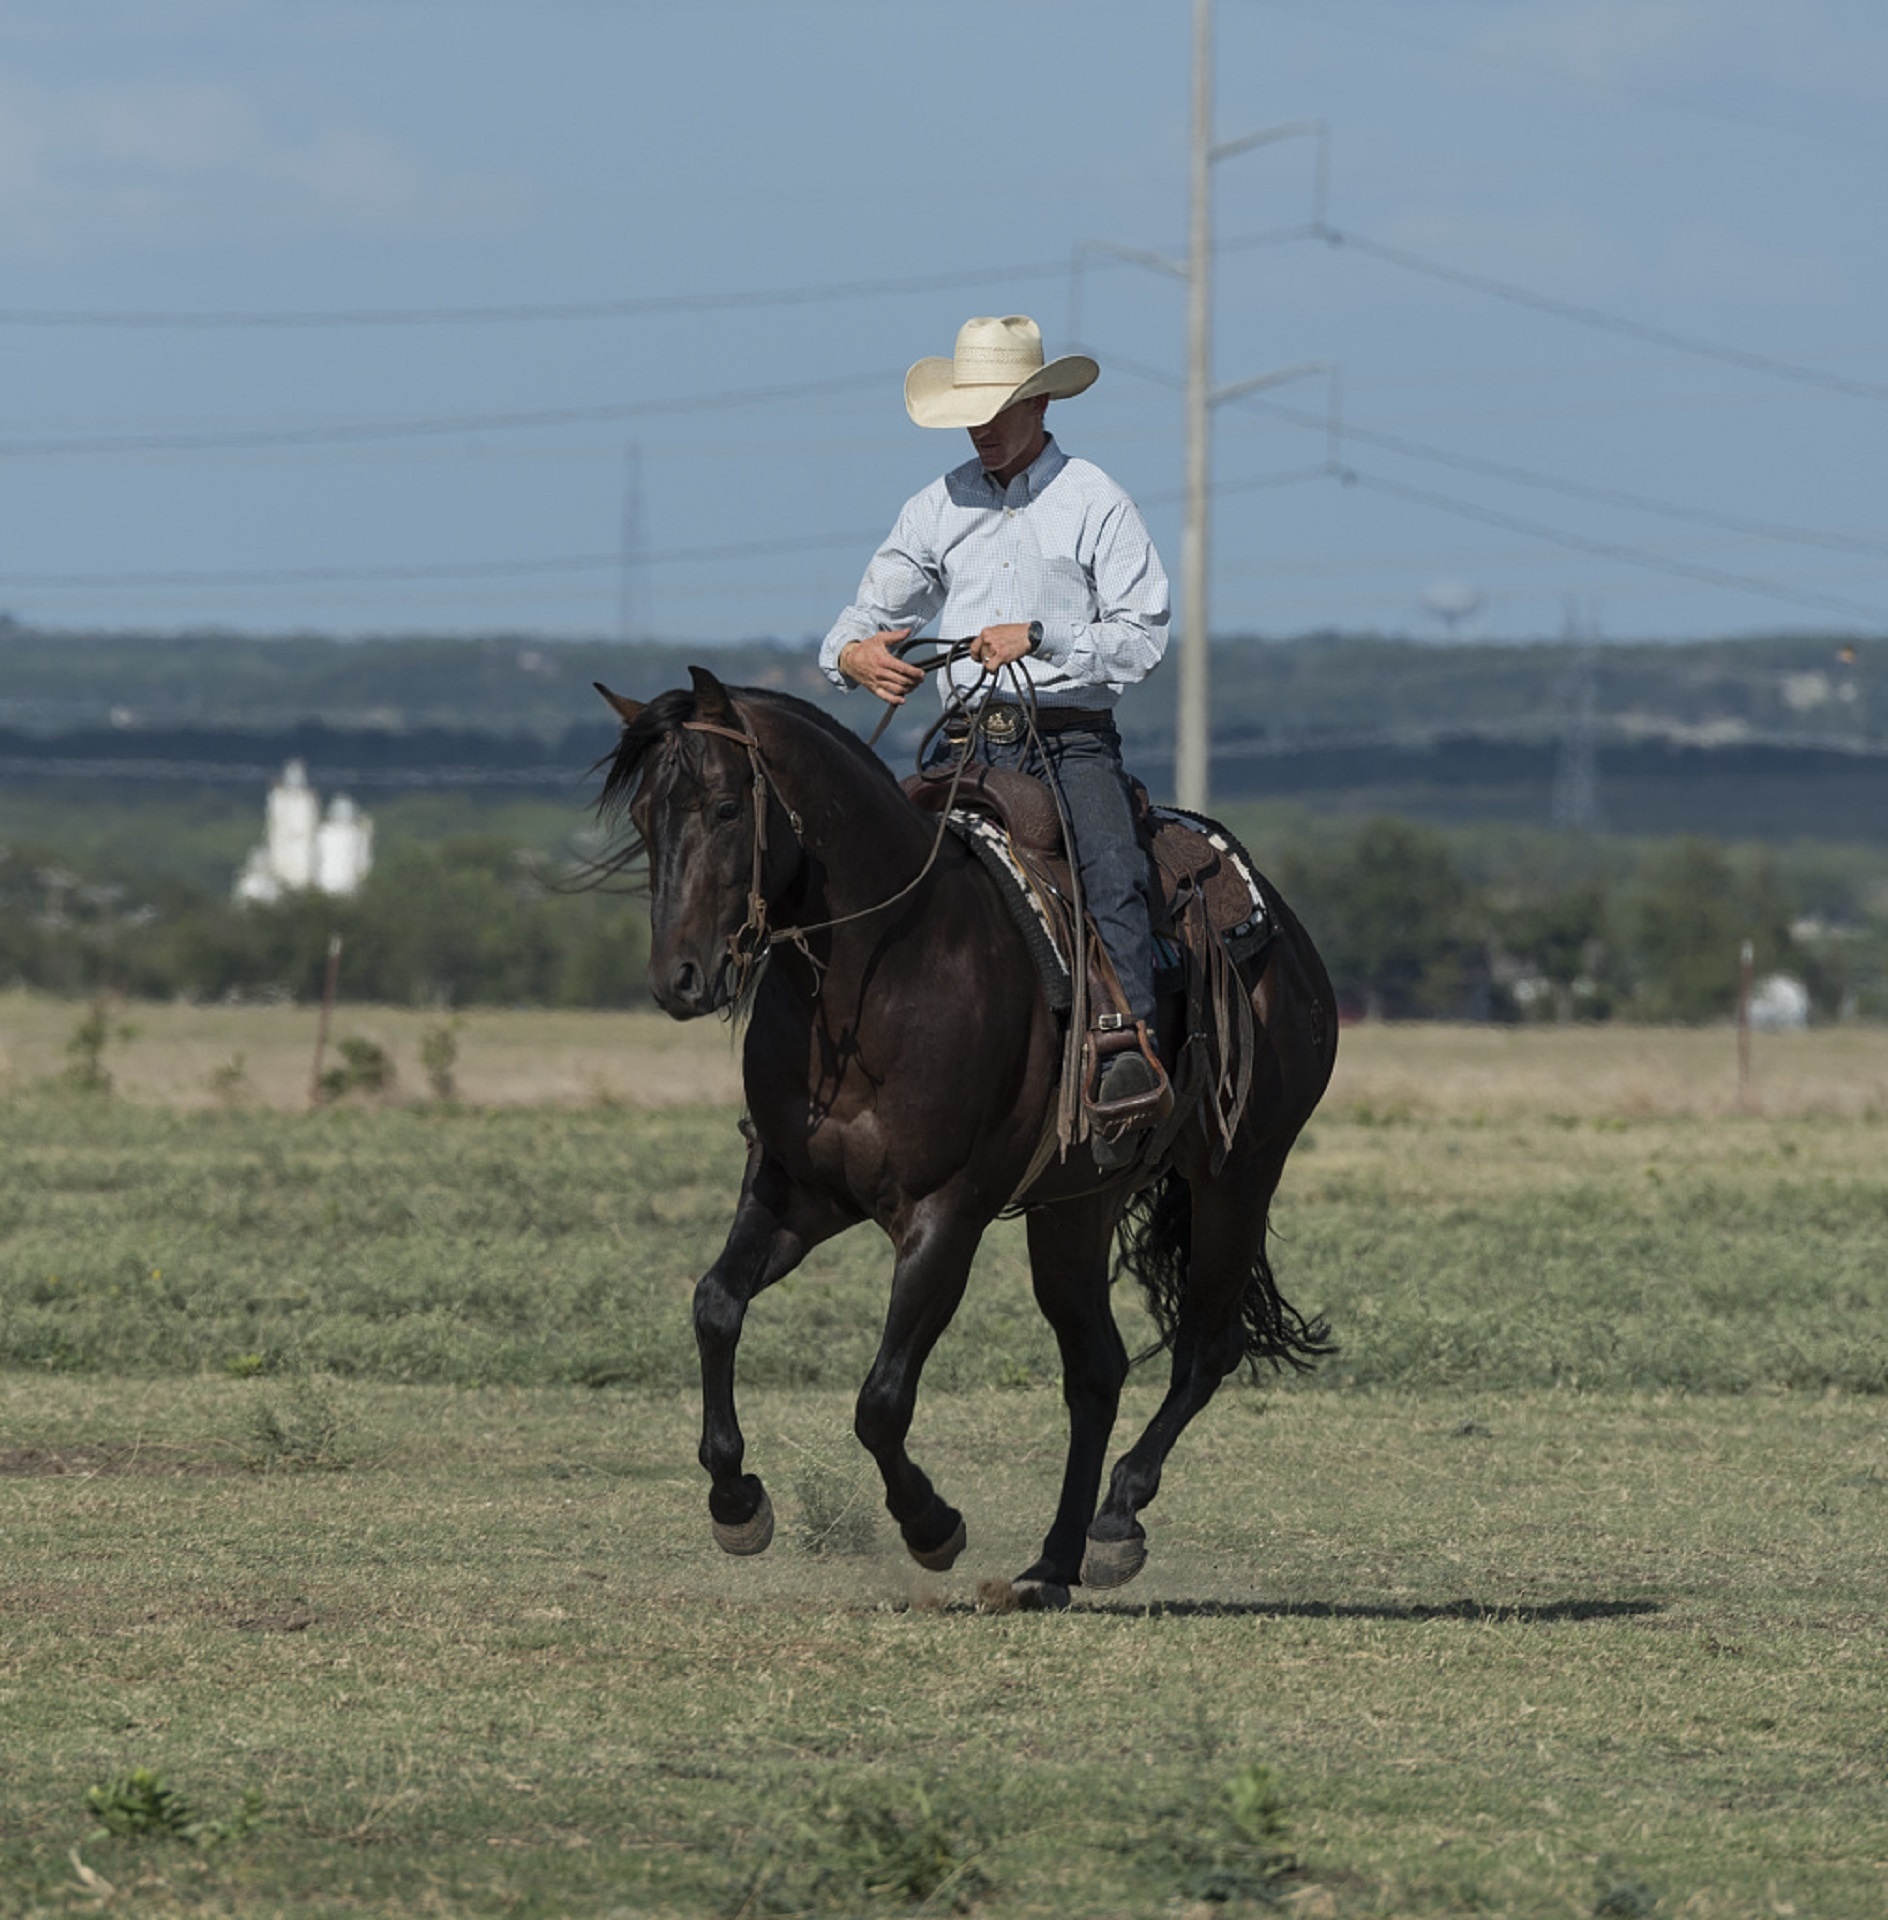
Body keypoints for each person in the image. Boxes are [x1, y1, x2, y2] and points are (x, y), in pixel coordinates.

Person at [820, 314, 1172, 1162]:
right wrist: (855, 655)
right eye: (970, 409)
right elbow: (860, 623)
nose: (979, 425)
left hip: (1069, 742)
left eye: (997, 407)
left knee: (1113, 877)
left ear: (1041, 402)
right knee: (872, 877)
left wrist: (1043, 634)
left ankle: (1128, 1064)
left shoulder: (1095, 500)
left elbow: (1144, 635)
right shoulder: (937, 505)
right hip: (964, 743)